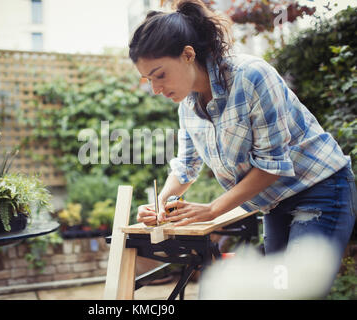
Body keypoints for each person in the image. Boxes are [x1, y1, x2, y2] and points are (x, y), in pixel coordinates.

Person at [130, 0, 356, 286]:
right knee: (280, 289)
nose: (156, 89)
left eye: (160, 74)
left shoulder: (250, 76)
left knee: (300, 289)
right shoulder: (187, 107)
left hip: (320, 189)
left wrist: (212, 210)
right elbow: (186, 167)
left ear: (188, 55)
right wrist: (161, 206)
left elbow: (272, 166)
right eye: (148, 79)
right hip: (274, 204)